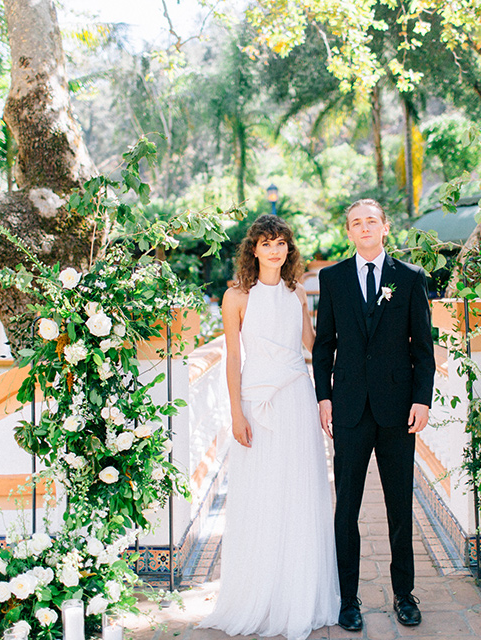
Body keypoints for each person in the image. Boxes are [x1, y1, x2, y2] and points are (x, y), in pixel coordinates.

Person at [199, 214, 340, 640]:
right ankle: (259, 593)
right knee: (261, 493)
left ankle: (299, 593)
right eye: (266, 243)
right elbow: (234, 359)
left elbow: (313, 345)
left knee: (300, 490)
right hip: (256, 406)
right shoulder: (236, 297)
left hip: (297, 399)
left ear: (288, 249)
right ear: (254, 249)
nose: (274, 250)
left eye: (280, 242)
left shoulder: (298, 294)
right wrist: (236, 414)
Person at [311, 199, 436, 631]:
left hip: (399, 409)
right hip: (347, 407)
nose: (364, 228)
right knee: (346, 507)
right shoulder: (332, 278)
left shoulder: (411, 277)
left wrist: (422, 400)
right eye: (355, 223)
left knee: (400, 505)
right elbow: (324, 343)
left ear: (385, 227)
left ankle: (404, 594)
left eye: (371, 221)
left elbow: (422, 346)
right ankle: (348, 599)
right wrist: (323, 397)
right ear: (349, 232)